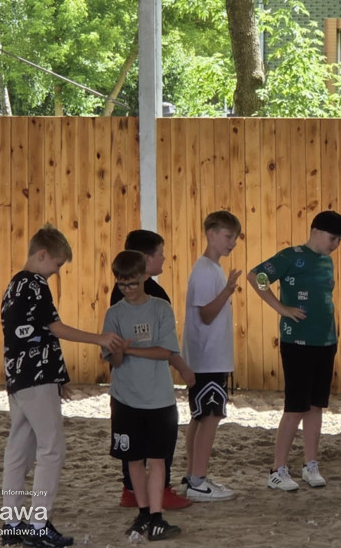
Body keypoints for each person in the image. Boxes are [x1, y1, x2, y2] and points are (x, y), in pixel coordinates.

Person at [0, 224, 123, 548]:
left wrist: (59, 377)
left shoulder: (13, 286)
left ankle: (12, 522)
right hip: (36, 379)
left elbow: (29, 334)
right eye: (56, 265)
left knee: (18, 449)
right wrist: (99, 337)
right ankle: (39, 524)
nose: (56, 272)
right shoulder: (36, 284)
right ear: (43, 255)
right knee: (52, 449)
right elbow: (54, 328)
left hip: (19, 379)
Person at [246, 210, 341, 492]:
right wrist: (280, 308)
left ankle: (310, 463)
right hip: (297, 343)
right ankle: (277, 468)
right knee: (295, 407)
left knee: (316, 405)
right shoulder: (291, 256)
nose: (335, 244)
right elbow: (256, 275)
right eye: (333, 237)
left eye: (339, 240)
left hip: (325, 342)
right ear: (315, 231)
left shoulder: (327, 262)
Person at [110, 229, 193, 511]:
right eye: (160, 253)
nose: (165, 258)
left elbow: (163, 346)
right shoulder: (142, 295)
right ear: (145, 261)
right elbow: (164, 349)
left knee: (143, 449)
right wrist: (183, 368)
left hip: (147, 388)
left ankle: (136, 492)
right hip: (137, 389)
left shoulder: (148, 298)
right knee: (140, 449)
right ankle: (149, 491)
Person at [103, 250, 184, 541]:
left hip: (160, 399)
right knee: (134, 459)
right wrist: (117, 352)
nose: (127, 289)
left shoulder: (161, 308)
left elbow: (165, 351)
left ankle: (159, 517)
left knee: (158, 458)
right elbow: (114, 362)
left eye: (133, 283)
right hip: (125, 398)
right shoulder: (114, 314)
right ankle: (143, 513)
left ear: (144, 277)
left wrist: (130, 348)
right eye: (122, 285)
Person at [182, 211, 242, 502]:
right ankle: (197, 480)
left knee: (200, 416)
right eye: (228, 236)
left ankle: (194, 475)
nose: (232, 243)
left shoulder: (211, 268)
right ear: (211, 234)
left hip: (207, 357)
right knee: (210, 416)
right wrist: (228, 291)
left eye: (235, 238)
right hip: (208, 358)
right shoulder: (206, 270)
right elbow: (206, 314)